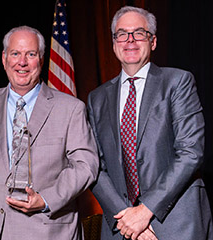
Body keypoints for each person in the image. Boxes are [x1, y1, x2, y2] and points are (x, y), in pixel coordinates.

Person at [87, 6, 213, 240]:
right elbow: (94, 165)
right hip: (120, 226)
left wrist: (145, 211)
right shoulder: (97, 98)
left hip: (176, 223)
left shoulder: (178, 82)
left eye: (139, 33)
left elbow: (190, 152)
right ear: (114, 43)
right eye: (122, 34)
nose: (130, 40)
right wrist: (126, 218)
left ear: (152, 41)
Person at [0, 25, 99, 240]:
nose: (22, 62)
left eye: (30, 54)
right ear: (4, 58)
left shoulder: (70, 108)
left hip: (49, 229)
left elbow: (86, 165)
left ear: (41, 59)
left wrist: (46, 199)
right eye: (15, 54)